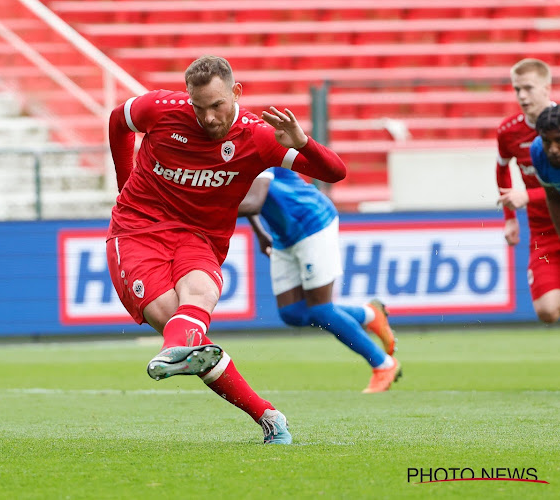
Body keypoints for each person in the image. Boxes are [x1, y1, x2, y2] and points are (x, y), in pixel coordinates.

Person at [106, 55, 346, 445]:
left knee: (197, 300)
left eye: (217, 105)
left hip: (200, 237)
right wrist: (125, 182)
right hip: (138, 230)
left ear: (236, 92)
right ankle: (266, 415)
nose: (210, 118)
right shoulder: (160, 109)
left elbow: (336, 172)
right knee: (177, 322)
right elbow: (119, 120)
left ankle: (176, 353)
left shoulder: (260, 137)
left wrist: (303, 143)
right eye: (199, 108)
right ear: (188, 98)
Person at [238, 167, 401, 393]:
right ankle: (371, 315)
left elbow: (253, 201)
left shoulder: (255, 142)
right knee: (291, 312)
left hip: (312, 223)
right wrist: (258, 231)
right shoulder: (224, 153)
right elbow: (243, 192)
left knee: (321, 308)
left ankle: (383, 365)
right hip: (283, 234)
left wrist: (204, 208)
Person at [496, 58, 560, 323]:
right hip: (543, 229)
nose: (522, 96)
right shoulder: (509, 132)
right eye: (516, 90)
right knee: (547, 311)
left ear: (546, 88)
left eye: (528, 88)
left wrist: (526, 195)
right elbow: (501, 168)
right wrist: (510, 219)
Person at [532, 105, 560, 249]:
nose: (553, 149)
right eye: (547, 141)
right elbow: (554, 198)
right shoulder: (538, 152)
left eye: (559, 140)